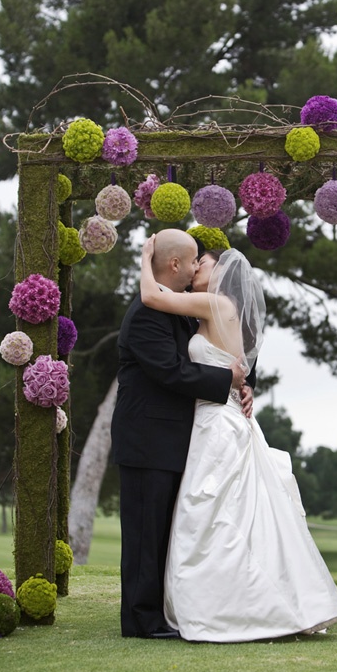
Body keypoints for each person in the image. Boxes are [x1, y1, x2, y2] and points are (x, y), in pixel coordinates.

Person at [140, 235, 337, 643]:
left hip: (218, 422)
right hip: (220, 415)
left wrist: (146, 257)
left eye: (201, 264)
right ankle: (241, 600)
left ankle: (235, 607)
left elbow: (152, 296)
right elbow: (230, 366)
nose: (195, 268)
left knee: (212, 513)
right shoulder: (212, 313)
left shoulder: (218, 304)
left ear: (221, 273)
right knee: (229, 514)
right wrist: (241, 385)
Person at [110, 228, 251, 639]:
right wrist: (228, 378)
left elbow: (223, 345)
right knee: (144, 534)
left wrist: (244, 383)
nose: (195, 268)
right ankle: (141, 621)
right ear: (174, 264)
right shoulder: (146, 313)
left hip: (179, 439)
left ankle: (163, 612)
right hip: (147, 439)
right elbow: (170, 371)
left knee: (167, 532)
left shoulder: (183, 309)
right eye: (193, 261)